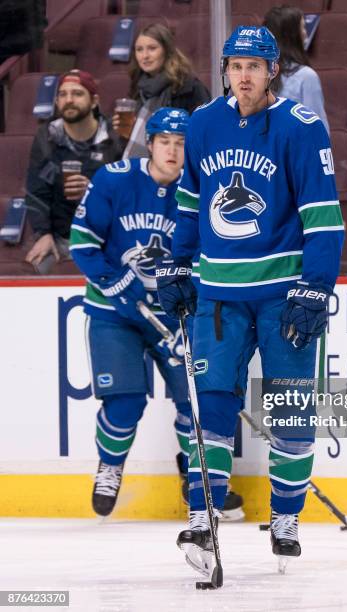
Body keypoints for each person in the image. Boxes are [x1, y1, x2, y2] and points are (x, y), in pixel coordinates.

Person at [155, 26, 344, 575]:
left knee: (289, 413)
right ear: (225, 70)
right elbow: (190, 204)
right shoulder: (204, 122)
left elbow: (324, 219)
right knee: (208, 408)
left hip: (283, 297)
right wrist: (176, 262)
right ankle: (201, 517)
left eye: (254, 66)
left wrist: (317, 285)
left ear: (273, 72)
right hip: (219, 296)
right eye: (235, 65)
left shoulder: (302, 129)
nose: (244, 76)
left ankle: (285, 516)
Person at [69, 107, 243, 520]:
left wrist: (192, 316)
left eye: (181, 143)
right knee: (125, 403)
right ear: (151, 144)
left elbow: (208, 258)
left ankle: (195, 482)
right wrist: (112, 280)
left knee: (194, 401)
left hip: (173, 312)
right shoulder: (114, 179)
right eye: (164, 141)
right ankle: (110, 467)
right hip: (116, 313)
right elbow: (81, 241)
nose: (172, 150)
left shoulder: (203, 191)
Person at [25, 69, 124, 274]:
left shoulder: (113, 140)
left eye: (77, 94)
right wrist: (43, 234)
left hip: (107, 236)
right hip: (60, 237)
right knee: (35, 266)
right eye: (63, 94)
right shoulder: (47, 137)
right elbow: (36, 192)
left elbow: (128, 195)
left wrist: (93, 192)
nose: (69, 99)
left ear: (94, 101)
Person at [117, 22, 211, 159]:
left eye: (152, 48)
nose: (145, 56)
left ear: (167, 51)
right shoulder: (138, 87)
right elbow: (136, 141)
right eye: (139, 49)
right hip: (144, 168)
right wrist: (126, 133)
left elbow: (205, 135)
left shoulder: (190, 87)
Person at [263, 5, 329, 131]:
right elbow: (318, 131)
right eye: (303, 28)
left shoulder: (253, 75)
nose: (306, 33)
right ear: (292, 35)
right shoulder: (307, 76)